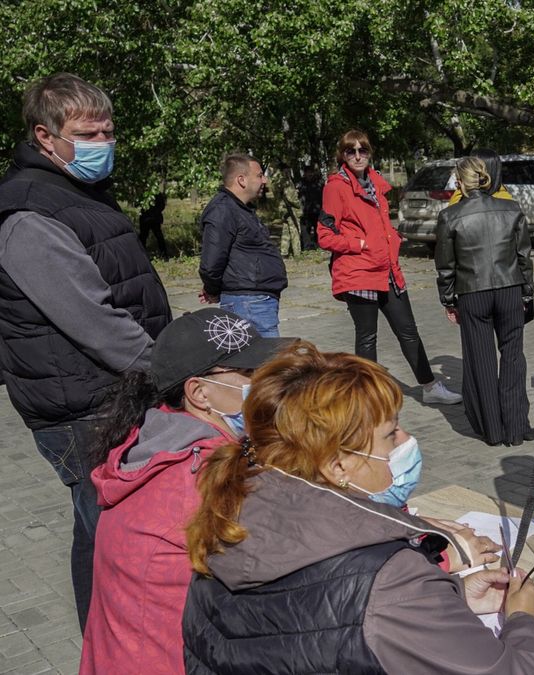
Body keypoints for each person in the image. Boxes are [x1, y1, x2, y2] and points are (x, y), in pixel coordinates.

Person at [181, 343, 534, 673]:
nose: (406, 440)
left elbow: (317, 619)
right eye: (391, 433)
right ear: (337, 465)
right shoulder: (390, 578)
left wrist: (449, 596)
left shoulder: (227, 517)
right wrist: (525, 619)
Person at [0, 73, 173, 630]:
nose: (103, 143)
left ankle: (105, 645)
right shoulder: (30, 213)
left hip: (105, 394)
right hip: (83, 407)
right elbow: (94, 321)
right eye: (88, 133)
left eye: (108, 131)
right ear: (44, 136)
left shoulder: (73, 191)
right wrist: (170, 365)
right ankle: (116, 646)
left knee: (96, 526)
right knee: (111, 535)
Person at [80, 308, 293, 674]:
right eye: (249, 374)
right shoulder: (207, 480)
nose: (267, 382)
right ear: (199, 392)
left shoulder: (154, 442)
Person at [318, 129, 461, 405]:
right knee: (367, 337)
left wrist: (392, 239)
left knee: (408, 331)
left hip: (387, 270)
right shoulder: (336, 187)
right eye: (351, 151)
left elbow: (378, 225)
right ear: (343, 155)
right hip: (359, 273)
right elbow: (325, 235)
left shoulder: (375, 183)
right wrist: (360, 243)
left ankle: (429, 387)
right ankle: (367, 397)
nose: (358, 156)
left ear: (370, 153)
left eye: (363, 150)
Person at [435, 155, 534, 447]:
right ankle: (516, 427)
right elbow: (524, 257)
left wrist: (448, 299)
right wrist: (527, 292)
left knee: (482, 361)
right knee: (513, 357)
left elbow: (445, 265)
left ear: (459, 180)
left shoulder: (450, 215)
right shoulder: (511, 208)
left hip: (472, 292)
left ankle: (493, 430)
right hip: (510, 288)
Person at [198, 153, 288, 337]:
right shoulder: (222, 210)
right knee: (266, 363)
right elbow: (211, 263)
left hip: (255, 303)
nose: (264, 180)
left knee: (264, 363)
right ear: (241, 180)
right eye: (259, 175)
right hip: (248, 304)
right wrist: (212, 290)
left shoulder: (240, 209)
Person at [298, 164, 324, 250]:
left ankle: (318, 244)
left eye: (311, 172)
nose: (309, 174)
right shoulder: (301, 183)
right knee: (306, 229)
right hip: (306, 209)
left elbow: (322, 194)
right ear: (304, 173)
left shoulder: (318, 182)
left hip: (317, 209)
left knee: (318, 227)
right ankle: (307, 246)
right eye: (307, 172)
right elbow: (298, 196)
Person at [138, 191, 168, 256]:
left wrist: (154, 214)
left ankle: (164, 254)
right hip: (145, 219)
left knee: (159, 236)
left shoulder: (157, 193)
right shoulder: (143, 193)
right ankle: (141, 254)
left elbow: (162, 206)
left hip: (154, 219)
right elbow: (137, 204)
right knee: (143, 236)